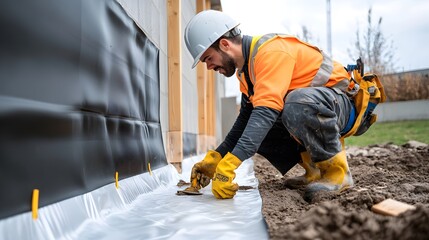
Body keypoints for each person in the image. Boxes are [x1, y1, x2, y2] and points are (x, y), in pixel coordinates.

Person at [184, 10, 360, 200]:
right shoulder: (246, 73)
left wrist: (230, 165)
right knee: (256, 126)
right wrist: (216, 159)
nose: (209, 67)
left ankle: (337, 174)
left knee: (292, 105)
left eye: (208, 58)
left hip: (342, 105)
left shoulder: (271, 53)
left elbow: (265, 114)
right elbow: (244, 123)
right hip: (316, 105)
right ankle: (315, 171)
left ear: (225, 44)